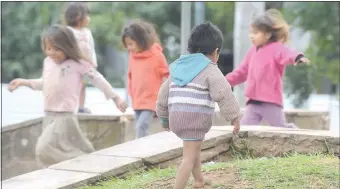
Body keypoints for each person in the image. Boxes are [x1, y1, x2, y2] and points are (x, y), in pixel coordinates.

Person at [7, 25, 127, 167]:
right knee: (76, 148)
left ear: (67, 46)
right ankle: (86, 164)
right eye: (48, 48)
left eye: (56, 49)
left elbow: (97, 79)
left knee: (43, 149)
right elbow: (45, 83)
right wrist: (24, 82)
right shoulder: (48, 62)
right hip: (49, 116)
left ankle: (83, 164)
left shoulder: (78, 64)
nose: (51, 53)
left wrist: (115, 97)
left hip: (64, 116)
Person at [156, 22, 241, 189]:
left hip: (177, 118)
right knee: (188, 157)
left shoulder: (178, 68)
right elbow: (224, 94)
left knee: (193, 151)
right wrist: (235, 117)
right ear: (216, 51)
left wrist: (164, 119)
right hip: (194, 119)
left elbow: (163, 94)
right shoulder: (210, 69)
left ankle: (199, 180)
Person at [226, 9, 310, 128]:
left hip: (270, 101)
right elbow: (241, 72)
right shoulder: (252, 52)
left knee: (280, 128)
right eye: (251, 32)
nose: (251, 36)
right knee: (243, 129)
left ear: (268, 34)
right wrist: (225, 81)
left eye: (255, 33)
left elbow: (288, 53)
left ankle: (292, 131)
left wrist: (297, 57)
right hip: (253, 101)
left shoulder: (276, 48)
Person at [122, 19, 169, 138]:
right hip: (138, 100)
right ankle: (146, 149)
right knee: (141, 128)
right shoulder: (132, 57)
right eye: (127, 45)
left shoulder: (157, 56)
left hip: (151, 100)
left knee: (141, 127)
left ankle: (141, 152)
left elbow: (166, 76)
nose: (129, 48)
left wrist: (164, 98)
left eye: (131, 44)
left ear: (141, 41)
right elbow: (130, 77)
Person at [64, 2, 97, 113]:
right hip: (71, 66)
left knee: (82, 86)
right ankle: (69, 106)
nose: (89, 18)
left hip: (85, 66)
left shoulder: (87, 32)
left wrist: (93, 63)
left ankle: (81, 107)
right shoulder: (67, 31)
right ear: (79, 18)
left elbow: (91, 48)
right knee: (70, 87)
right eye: (87, 15)